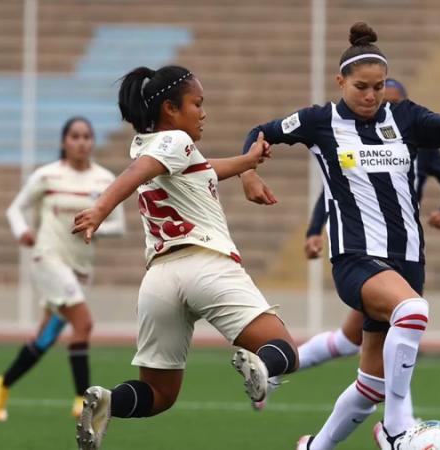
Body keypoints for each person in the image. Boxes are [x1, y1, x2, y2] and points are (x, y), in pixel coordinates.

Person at [239, 22, 440, 450]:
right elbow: (261, 132)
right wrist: (248, 174)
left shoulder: (405, 117)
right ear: (341, 82)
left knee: (370, 385)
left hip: (407, 259)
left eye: (378, 86)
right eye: (361, 87)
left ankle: (315, 447)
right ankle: (396, 429)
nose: (371, 96)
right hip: (356, 258)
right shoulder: (320, 121)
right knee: (413, 312)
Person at [70, 65, 299, 450]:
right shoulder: (174, 141)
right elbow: (135, 173)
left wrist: (248, 162)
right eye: (197, 103)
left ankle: (108, 401)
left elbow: (204, 171)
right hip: (206, 265)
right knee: (283, 352)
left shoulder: (153, 144)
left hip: (159, 280)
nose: (203, 112)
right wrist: (100, 208)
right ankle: (261, 365)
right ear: (170, 110)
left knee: (158, 394)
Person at [256, 78, 440, 410]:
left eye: (385, 99)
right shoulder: (350, 138)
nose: (374, 106)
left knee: (350, 340)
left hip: (401, 251)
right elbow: (335, 190)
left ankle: (272, 370)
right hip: (366, 253)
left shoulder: (420, 145)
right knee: (396, 334)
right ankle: (400, 428)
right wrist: (315, 229)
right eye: (368, 96)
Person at [0, 117, 126, 422]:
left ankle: (2, 383)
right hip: (48, 259)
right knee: (84, 324)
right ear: (64, 141)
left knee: (47, 335)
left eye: (87, 136)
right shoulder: (47, 176)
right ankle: (82, 398)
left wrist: (97, 226)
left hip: (81, 268)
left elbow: (120, 226)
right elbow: (15, 209)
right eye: (75, 136)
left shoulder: (105, 180)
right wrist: (22, 230)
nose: (81, 142)